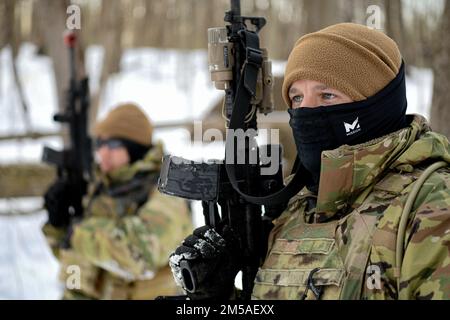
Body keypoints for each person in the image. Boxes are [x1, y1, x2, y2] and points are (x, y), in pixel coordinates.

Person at [169, 23, 450, 300]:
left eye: (327, 95)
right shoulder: (296, 202)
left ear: (377, 104)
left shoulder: (431, 206)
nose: (306, 112)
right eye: (297, 97)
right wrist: (220, 296)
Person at [43, 103, 193, 299]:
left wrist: (76, 231)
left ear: (134, 148)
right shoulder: (103, 188)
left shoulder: (168, 190)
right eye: (100, 144)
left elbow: (139, 254)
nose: (103, 153)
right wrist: (58, 224)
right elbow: (74, 256)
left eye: (113, 145)